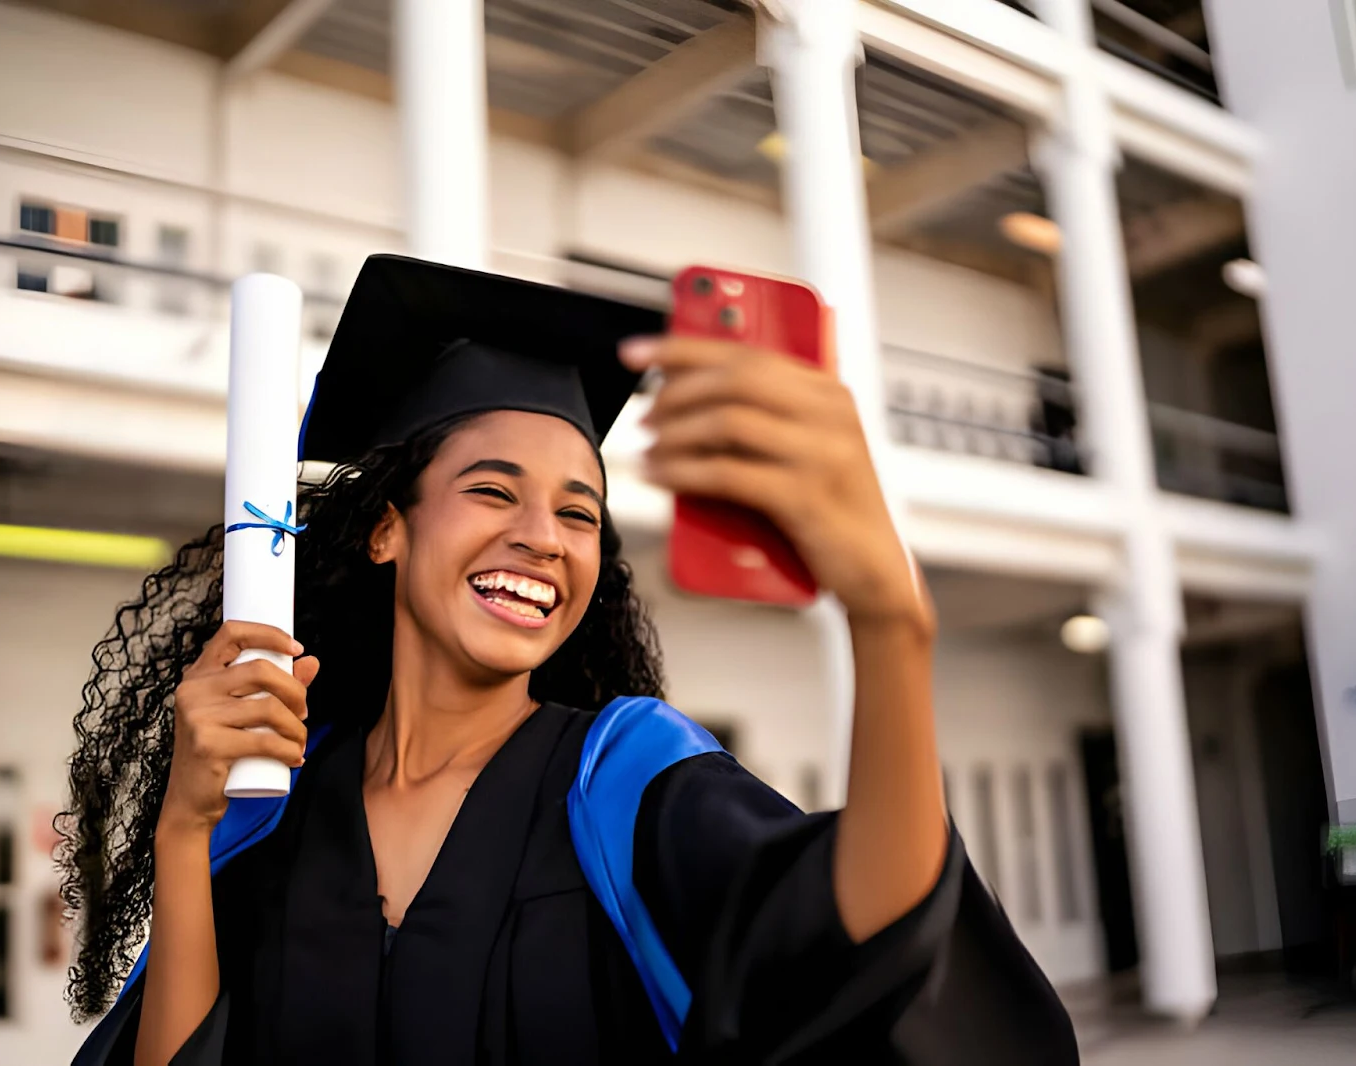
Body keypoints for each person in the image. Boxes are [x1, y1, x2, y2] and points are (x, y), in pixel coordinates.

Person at [60, 255, 1077, 1065]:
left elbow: (854, 941)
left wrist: (890, 621)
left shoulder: (621, 779)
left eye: (579, 512)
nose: (543, 537)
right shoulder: (276, 792)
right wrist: (185, 833)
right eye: (494, 492)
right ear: (386, 532)